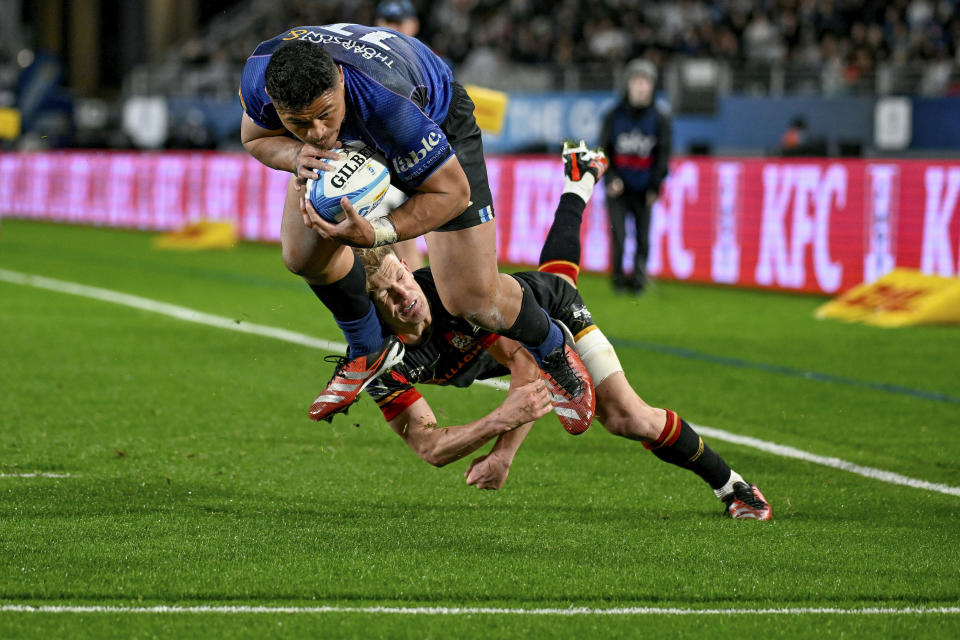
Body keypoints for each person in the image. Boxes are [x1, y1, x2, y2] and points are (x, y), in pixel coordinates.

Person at [356, 141, 771, 520]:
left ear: (409, 266)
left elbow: (531, 363)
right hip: (513, 320)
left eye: (401, 280)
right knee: (555, 274)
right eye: (386, 296)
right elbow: (429, 446)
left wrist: (504, 453)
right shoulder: (376, 360)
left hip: (545, 318)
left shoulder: (454, 296)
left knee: (625, 416)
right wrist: (497, 420)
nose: (402, 296)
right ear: (369, 311)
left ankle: (734, 488)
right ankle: (580, 182)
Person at [238, 25, 594, 435]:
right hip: (363, 131)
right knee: (300, 256)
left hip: (433, 124)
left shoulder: (389, 104)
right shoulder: (261, 75)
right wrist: (297, 152)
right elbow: (254, 137)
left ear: (338, 78)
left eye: (324, 115)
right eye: (298, 122)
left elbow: (453, 193)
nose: (317, 132)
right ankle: (368, 348)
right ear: (276, 104)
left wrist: (378, 233)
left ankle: (553, 349)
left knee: (473, 299)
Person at [599, 58, 672, 295]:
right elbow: (603, 150)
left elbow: (663, 155)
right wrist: (611, 178)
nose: (642, 87)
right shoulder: (613, 116)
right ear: (628, 85)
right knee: (618, 235)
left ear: (652, 87)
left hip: (644, 189)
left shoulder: (660, 119)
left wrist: (655, 186)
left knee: (643, 237)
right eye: (637, 81)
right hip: (618, 188)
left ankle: (639, 280)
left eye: (646, 82)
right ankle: (619, 280)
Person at [374, 0, 426, 269]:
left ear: (413, 25)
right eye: (386, 21)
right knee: (399, 239)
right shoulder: (366, 62)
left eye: (398, 22)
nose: (392, 28)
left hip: (417, 156)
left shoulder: (429, 62)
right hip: (382, 156)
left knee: (394, 234)